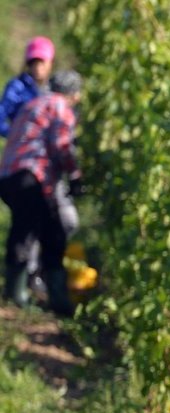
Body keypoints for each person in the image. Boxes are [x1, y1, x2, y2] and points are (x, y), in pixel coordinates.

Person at [0, 70, 84, 316]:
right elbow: (61, 145)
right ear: (71, 92)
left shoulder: (32, 104)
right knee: (30, 232)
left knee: (46, 230)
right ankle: (18, 297)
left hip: (9, 176)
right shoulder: (59, 105)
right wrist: (76, 175)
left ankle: (47, 297)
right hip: (30, 176)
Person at [0, 37, 53, 137]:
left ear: (50, 63)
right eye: (34, 63)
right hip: (20, 150)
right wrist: (16, 136)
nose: (37, 68)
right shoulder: (17, 87)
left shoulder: (52, 90)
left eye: (41, 62)